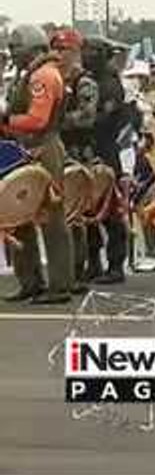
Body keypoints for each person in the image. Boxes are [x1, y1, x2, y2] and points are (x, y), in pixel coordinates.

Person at [1, 25, 74, 304]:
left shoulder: (42, 76)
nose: (12, 54)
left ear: (31, 48)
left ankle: (59, 285)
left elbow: (37, 120)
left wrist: (6, 121)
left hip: (43, 148)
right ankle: (30, 281)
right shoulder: (37, 73)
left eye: (16, 48)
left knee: (51, 217)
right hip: (27, 148)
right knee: (17, 215)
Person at [50, 28, 99, 287]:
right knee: (61, 214)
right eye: (55, 49)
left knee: (77, 215)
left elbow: (87, 116)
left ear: (76, 51)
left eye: (64, 49)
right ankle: (68, 270)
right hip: (59, 152)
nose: (58, 54)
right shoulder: (53, 79)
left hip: (80, 152)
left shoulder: (84, 82)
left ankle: (80, 269)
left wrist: (55, 122)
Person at [82, 37, 131, 284]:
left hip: (105, 149)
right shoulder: (88, 80)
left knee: (111, 209)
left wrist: (81, 122)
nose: (86, 55)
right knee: (87, 208)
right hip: (88, 149)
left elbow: (105, 119)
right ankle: (94, 262)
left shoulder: (110, 84)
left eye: (92, 51)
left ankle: (116, 265)